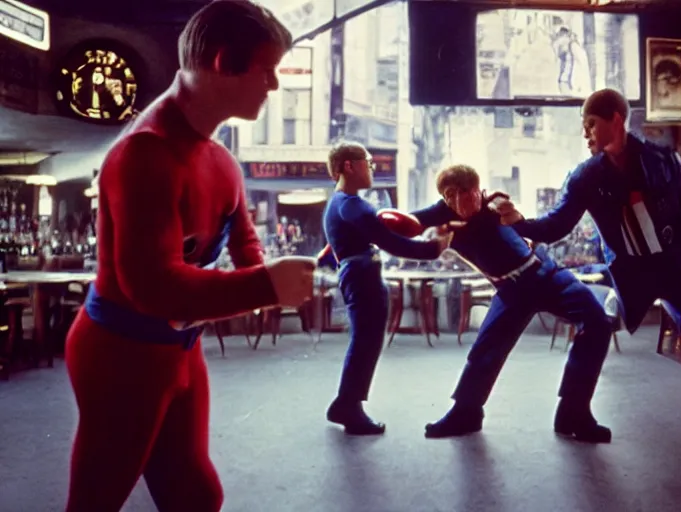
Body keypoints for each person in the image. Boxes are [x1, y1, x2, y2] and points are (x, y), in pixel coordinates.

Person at [64, 2, 315, 511]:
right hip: (121, 355)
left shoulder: (219, 159)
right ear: (225, 64)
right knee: (97, 499)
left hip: (176, 348)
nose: (273, 86)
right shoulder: (144, 153)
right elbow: (152, 287)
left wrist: (275, 277)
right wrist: (267, 285)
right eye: (267, 69)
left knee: (196, 496)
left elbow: (247, 250)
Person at [495, 88, 681, 448]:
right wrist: (520, 222)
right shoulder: (585, 176)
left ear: (616, 120)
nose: (586, 134)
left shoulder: (664, 160)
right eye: (583, 126)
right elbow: (556, 225)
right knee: (595, 327)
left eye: (591, 124)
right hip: (630, 273)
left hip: (676, 268)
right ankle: (571, 413)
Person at [411, 164, 614, 441]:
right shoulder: (441, 214)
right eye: (449, 195)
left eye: (465, 193)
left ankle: (574, 412)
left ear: (477, 191)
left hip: (544, 272)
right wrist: (366, 228)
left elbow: (519, 219)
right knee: (486, 350)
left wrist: (512, 214)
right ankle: (466, 413)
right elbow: (400, 224)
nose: (458, 202)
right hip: (511, 289)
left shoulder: (494, 202)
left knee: (598, 324)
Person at [322, 141, 450, 435]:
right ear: (348, 166)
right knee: (366, 341)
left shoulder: (342, 203)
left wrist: (436, 214)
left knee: (366, 341)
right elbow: (391, 239)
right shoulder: (350, 204)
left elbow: (391, 224)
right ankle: (348, 406)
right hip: (362, 275)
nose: (372, 168)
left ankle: (346, 403)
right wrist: (434, 248)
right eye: (368, 162)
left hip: (359, 273)